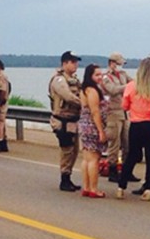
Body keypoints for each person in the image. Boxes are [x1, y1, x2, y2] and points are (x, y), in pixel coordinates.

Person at [117, 58, 150, 201]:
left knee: (132, 155)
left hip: (136, 124)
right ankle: (149, 188)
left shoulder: (132, 86)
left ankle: (121, 186)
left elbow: (124, 105)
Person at [49, 51, 82, 192]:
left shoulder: (74, 79)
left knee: (74, 151)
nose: (76, 65)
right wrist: (84, 104)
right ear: (65, 63)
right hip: (62, 120)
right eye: (73, 62)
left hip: (73, 121)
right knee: (67, 150)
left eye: (76, 62)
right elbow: (68, 96)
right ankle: (64, 179)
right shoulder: (59, 80)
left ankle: (68, 177)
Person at [101, 52, 136, 182]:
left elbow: (134, 82)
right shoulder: (106, 77)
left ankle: (127, 171)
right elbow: (113, 90)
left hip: (125, 113)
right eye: (119, 64)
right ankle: (112, 170)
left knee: (128, 142)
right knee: (114, 143)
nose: (121, 67)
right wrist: (129, 87)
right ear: (112, 63)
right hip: (113, 113)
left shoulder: (123, 75)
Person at [79, 64, 108, 198]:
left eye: (101, 75)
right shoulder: (92, 91)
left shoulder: (84, 89)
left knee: (86, 158)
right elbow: (95, 111)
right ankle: (93, 188)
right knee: (94, 159)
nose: (100, 77)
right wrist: (101, 130)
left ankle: (86, 186)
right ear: (90, 76)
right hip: (92, 125)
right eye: (97, 75)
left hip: (84, 124)